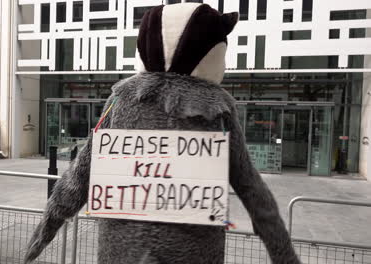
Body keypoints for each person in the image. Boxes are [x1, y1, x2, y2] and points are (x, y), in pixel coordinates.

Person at [25, 3, 300, 264]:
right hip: (195, 251)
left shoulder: (121, 100)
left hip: (121, 249)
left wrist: (43, 233)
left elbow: (79, 174)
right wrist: (283, 254)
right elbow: (250, 186)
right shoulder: (218, 108)